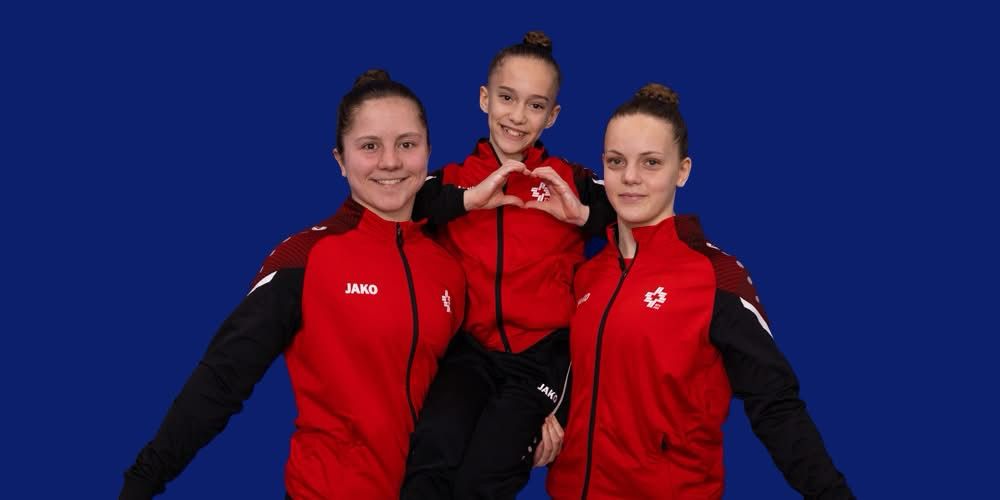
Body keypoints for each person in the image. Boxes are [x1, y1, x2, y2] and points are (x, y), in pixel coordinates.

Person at [118, 69, 474, 499]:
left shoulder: (448, 267)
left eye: (407, 144)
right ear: (340, 159)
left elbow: (474, 379)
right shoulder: (307, 256)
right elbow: (222, 378)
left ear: (428, 151)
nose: (390, 162)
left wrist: (537, 416)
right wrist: (141, 482)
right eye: (369, 146)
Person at [538, 83, 855, 499]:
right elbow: (574, 379)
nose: (630, 177)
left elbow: (775, 405)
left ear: (682, 171)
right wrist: (544, 418)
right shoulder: (589, 274)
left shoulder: (715, 276)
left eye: (651, 163)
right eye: (616, 161)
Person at [402, 31, 615, 499]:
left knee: (482, 479)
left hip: (541, 359)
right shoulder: (451, 180)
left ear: (552, 115)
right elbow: (394, 203)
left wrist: (583, 216)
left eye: (535, 105)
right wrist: (465, 201)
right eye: (506, 98)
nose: (518, 116)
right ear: (484, 99)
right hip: (470, 352)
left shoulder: (570, 180)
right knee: (430, 452)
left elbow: (638, 210)